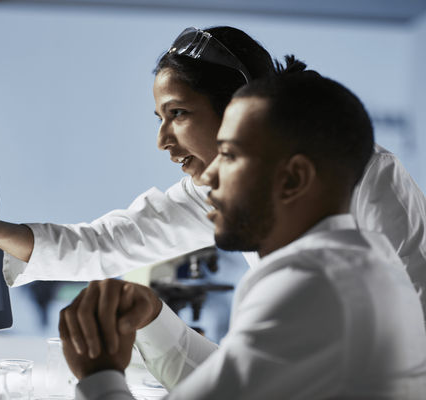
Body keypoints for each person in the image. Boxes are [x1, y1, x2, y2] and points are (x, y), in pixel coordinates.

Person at [0, 26, 426, 320]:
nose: (162, 141)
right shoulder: (210, 192)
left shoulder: (365, 177)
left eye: (178, 114)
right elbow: (104, 243)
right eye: (159, 118)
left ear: (242, 108)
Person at [58, 60, 426, 399]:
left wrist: (99, 372)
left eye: (230, 155)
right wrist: (154, 320)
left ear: (293, 178)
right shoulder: (363, 267)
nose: (210, 176)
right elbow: (233, 384)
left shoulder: (311, 285)